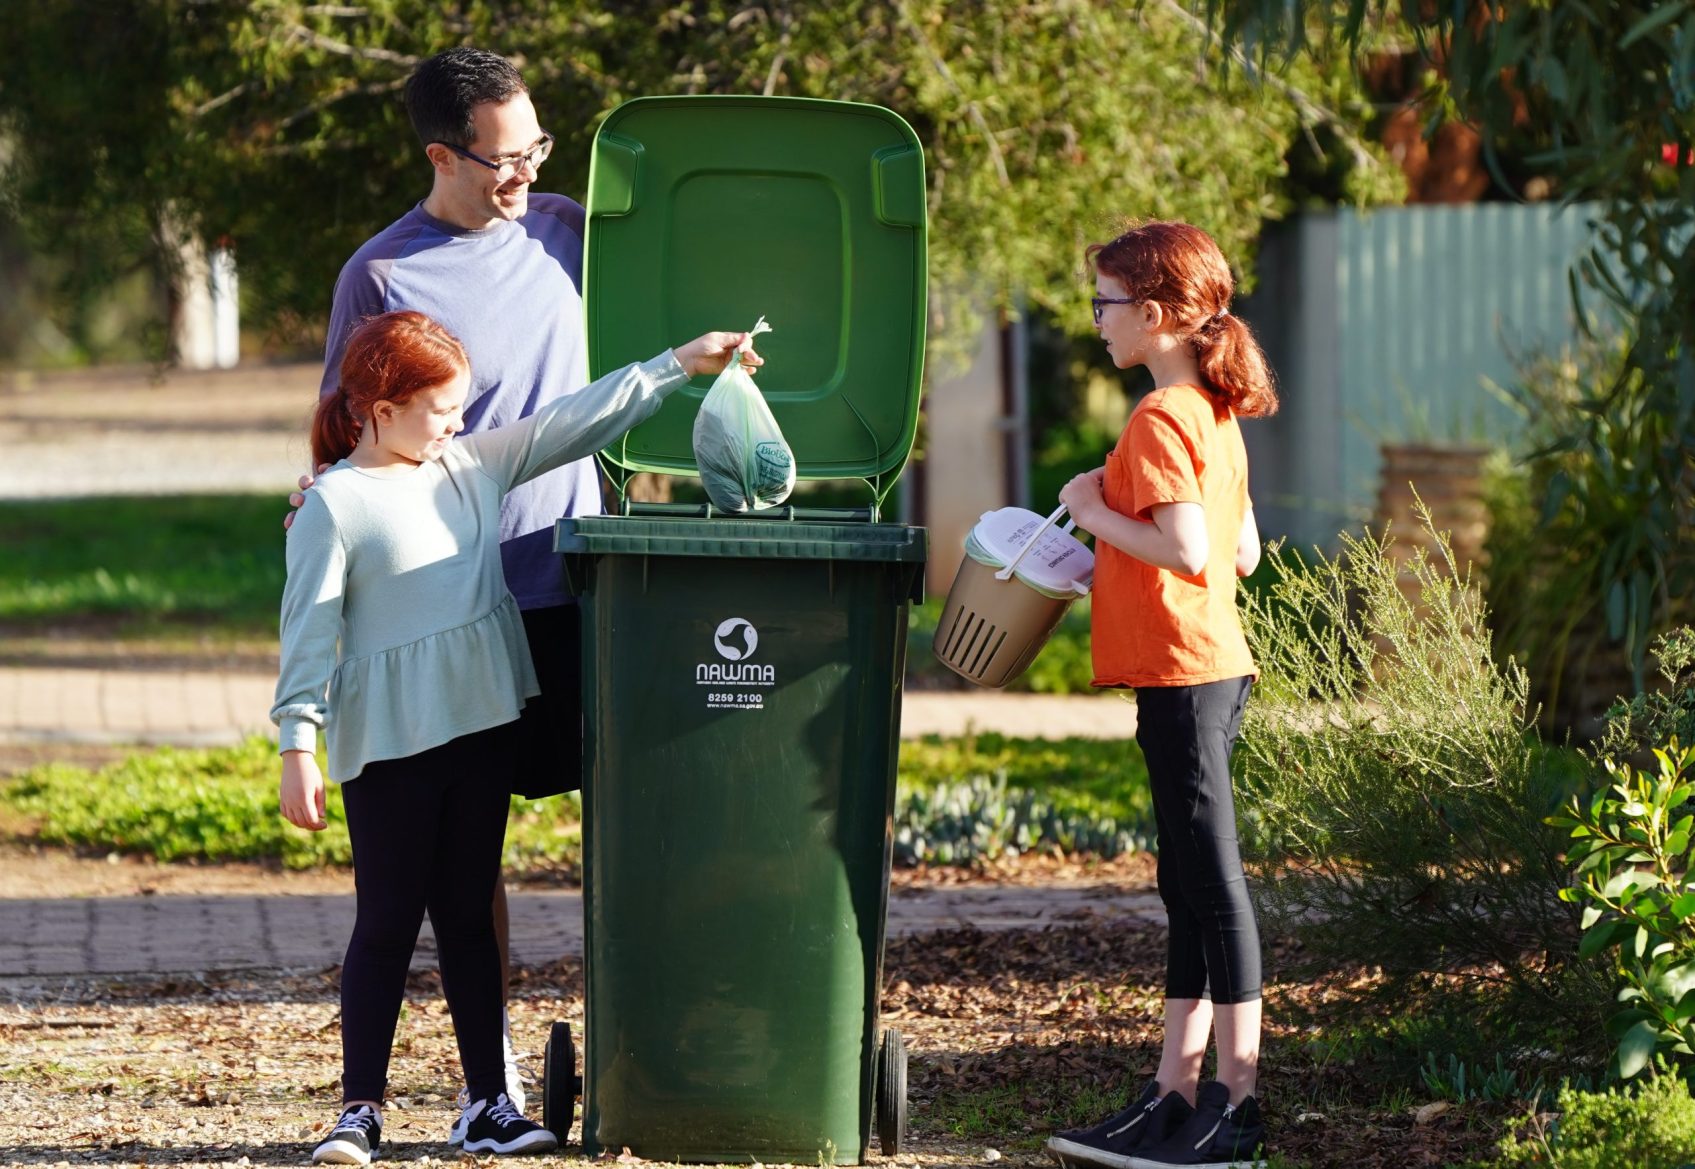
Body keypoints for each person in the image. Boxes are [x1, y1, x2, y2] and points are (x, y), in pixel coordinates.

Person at [277, 311, 759, 1165]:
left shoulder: (470, 466)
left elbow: (576, 419)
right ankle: (359, 1110)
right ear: (378, 407)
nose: (457, 422)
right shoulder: (332, 505)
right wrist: (298, 748)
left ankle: (488, 1104)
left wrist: (681, 361)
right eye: (438, 406)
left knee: (467, 916)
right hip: (388, 743)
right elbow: (307, 635)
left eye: (460, 405)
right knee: (386, 921)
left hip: (482, 727)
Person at [288, 45, 598, 1111]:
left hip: (581, 580)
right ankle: (493, 1071)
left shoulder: (568, 230)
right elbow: (344, 433)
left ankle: (646, 1031)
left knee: (623, 807)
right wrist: (316, 503)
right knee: (474, 849)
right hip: (459, 599)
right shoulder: (382, 272)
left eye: (536, 149)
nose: (525, 176)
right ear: (443, 155)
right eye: (503, 160)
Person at [1043, 221, 1278, 1169]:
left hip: (1187, 670)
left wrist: (1096, 513)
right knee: (1184, 884)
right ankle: (1174, 1093)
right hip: (1200, 670)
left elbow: (1188, 553)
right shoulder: (1209, 409)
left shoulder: (1160, 418)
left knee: (1211, 886)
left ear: (1150, 314)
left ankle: (1236, 1105)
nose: (1094, 322)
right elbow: (1242, 551)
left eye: (1102, 305)